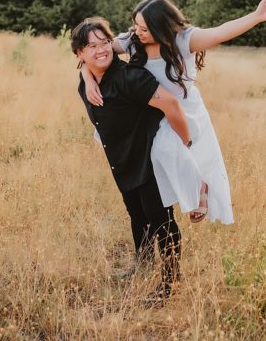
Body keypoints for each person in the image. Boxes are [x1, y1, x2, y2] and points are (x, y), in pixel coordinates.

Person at [83, 0, 266, 225]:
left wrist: (257, 16)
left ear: (161, 27)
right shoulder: (133, 39)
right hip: (152, 111)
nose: (137, 32)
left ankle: (199, 187)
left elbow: (221, 32)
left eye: (144, 29)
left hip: (183, 111)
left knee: (163, 147)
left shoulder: (183, 40)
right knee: (150, 156)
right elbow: (97, 54)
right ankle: (173, 201)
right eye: (136, 26)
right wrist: (87, 77)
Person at [72, 16, 190, 304]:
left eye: (104, 44)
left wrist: (187, 143)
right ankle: (144, 264)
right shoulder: (87, 78)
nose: (100, 51)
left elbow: (171, 104)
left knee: (161, 220)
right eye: (91, 47)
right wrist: (87, 78)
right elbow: (85, 71)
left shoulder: (130, 77)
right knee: (137, 216)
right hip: (122, 160)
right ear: (79, 54)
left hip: (149, 159)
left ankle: (171, 281)